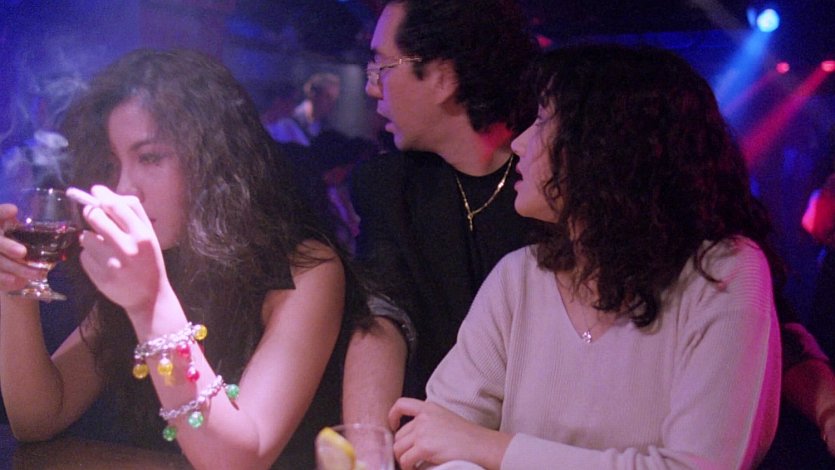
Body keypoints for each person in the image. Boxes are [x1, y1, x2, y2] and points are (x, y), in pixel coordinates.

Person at [388, 44, 782, 469]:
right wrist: (464, 451)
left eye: (542, 120)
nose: (519, 143)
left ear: (607, 146)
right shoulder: (518, 277)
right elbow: (439, 440)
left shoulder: (723, 272)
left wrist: (494, 448)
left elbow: (696, 466)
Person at [0, 49, 368, 469]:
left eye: (150, 158)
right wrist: (14, 290)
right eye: (113, 163)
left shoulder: (305, 268)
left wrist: (151, 303)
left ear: (214, 161)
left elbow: (237, 461)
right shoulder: (160, 256)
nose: (124, 188)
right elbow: (38, 418)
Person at [342, 0, 538, 428]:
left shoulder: (547, 188)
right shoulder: (389, 186)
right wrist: (369, 446)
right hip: (425, 438)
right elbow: (383, 316)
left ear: (442, 78)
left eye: (382, 67)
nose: (373, 88)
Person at [266, 72, 341, 147]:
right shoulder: (287, 117)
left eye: (334, 98)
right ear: (313, 94)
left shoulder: (326, 128)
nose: (331, 103)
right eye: (327, 96)